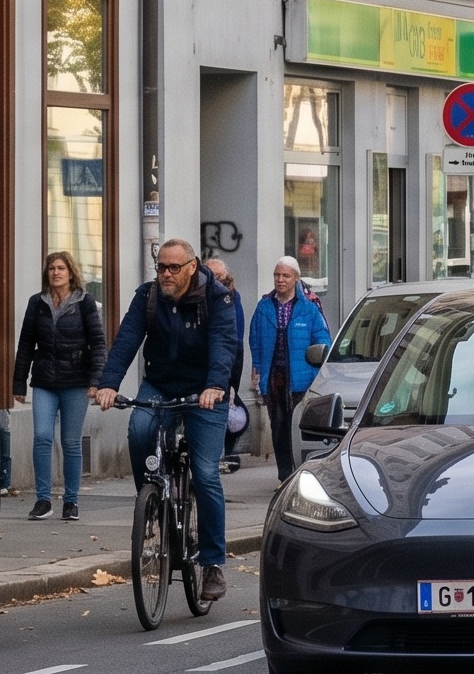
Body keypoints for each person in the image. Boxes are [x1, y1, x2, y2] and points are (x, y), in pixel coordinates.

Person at [95, 238, 240, 604]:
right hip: (160, 384)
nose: (166, 274)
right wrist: (108, 384)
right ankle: (152, 501)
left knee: (205, 473)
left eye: (174, 268)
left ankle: (212, 564)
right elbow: (127, 339)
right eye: (161, 267)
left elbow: (224, 345)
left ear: (192, 267)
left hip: (204, 391)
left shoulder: (217, 298)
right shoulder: (147, 297)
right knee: (139, 428)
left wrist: (214, 386)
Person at [14, 250, 107, 521]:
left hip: (76, 382)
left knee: (70, 442)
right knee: (42, 437)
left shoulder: (85, 302)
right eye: (52, 268)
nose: (56, 272)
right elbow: (25, 345)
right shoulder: (37, 303)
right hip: (44, 382)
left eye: (61, 268)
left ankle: (71, 501)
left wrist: (95, 381)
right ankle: (43, 500)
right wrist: (19, 382)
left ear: (70, 273)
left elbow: (98, 344)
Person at [248, 258, 332, 480]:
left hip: (302, 378)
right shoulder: (264, 306)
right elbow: (254, 340)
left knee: (299, 427)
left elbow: (323, 339)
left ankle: (302, 473)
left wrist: (316, 366)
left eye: (285, 276)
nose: (280, 280)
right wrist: (256, 368)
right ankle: (284, 476)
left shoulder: (309, 308)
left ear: (296, 278)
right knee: (278, 426)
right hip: (274, 377)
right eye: (277, 275)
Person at [205, 258, 251, 473]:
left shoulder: (232, 300)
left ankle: (221, 456)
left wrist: (232, 382)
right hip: (199, 370)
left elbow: (235, 341)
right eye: (209, 276)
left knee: (234, 417)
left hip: (223, 369)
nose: (214, 282)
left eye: (219, 278)